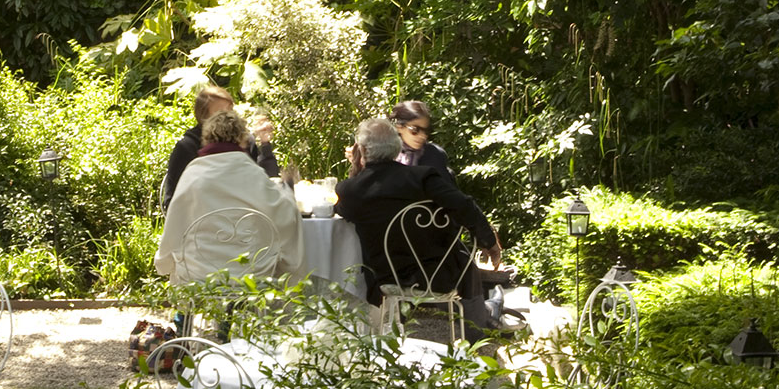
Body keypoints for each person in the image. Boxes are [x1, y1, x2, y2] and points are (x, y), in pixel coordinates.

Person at [336, 117, 511, 332]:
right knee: (462, 255)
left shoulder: (350, 190)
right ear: (397, 147)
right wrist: (489, 242)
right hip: (439, 273)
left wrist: (357, 169)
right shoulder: (422, 178)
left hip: (389, 277)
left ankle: (485, 314)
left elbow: (342, 213)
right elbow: (464, 206)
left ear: (361, 150)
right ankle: (480, 323)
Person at [153, 109, 305, 285]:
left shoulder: (193, 175)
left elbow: (176, 222)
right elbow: (284, 214)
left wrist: (164, 262)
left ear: (206, 138)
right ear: (242, 139)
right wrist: (286, 191)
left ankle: (188, 311)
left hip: (200, 274)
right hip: (251, 272)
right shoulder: (253, 174)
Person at [162, 85, 276, 210]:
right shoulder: (187, 147)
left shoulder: (246, 142)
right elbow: (172, 201)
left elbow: (267, 183)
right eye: (221, 112)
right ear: (203, 116)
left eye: (231, 110)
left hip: (245, 220)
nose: (228, 117)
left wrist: (265, 145)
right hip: (202, 223)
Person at [391, 100, 452, 175]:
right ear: (399, 127)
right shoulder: (386, 156)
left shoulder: (434, 155)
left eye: (426, 131)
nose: (422, 136)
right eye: (415, 129)